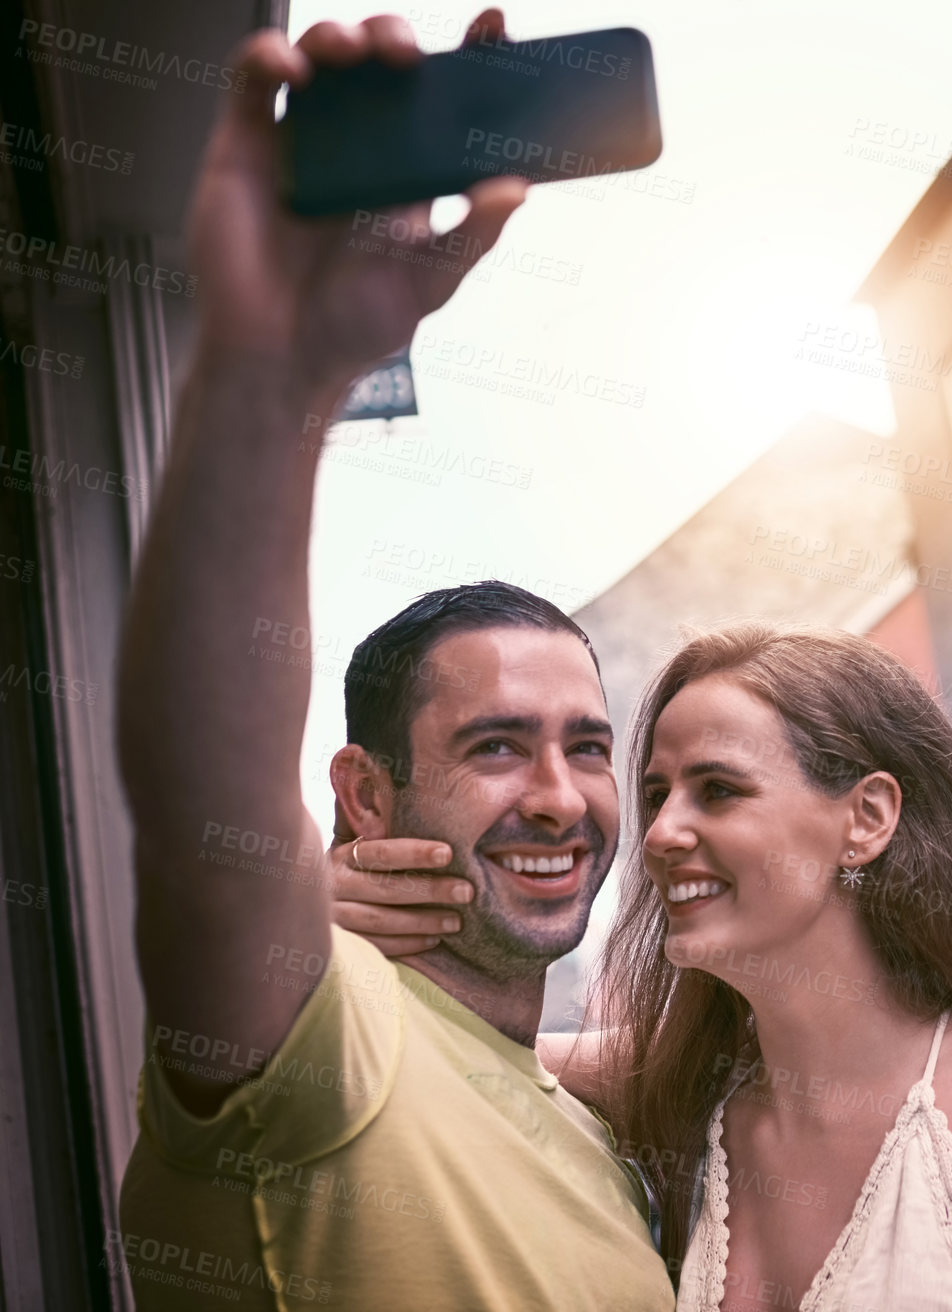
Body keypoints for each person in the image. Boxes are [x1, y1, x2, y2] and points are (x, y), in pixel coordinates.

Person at [114, 11, 672, 1310]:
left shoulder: (596, 1134)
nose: (559, 796)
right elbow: (209, 824)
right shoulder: (326, 1048)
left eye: (586, 745)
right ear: (365, 797)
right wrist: (280, 369)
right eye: (493, 745)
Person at [337, 624, 952, 1311]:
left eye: (718, 790)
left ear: (866, 817)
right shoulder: (671, 1087)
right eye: (657, 793)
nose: (664, 833)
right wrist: (322, 904)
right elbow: (480, 1035)